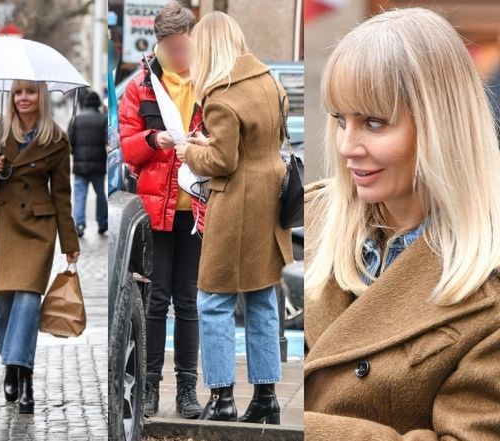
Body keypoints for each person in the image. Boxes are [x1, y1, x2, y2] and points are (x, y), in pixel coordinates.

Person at [304, 8, 500, 439]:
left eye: (374, 123)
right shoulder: (309, 217)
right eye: (340, 119)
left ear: (440, 126)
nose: (347, 145)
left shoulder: (489, 286)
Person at [175, 11, 293, 423]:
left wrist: (190, 150)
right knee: (261, 299)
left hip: (237, 203)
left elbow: (222, 161)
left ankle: (222, 398)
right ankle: (266, 399)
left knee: (213, 300)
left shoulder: (221, 96)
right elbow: (264, 141)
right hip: (270, 200)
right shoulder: (268, 81)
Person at [0, 80, 80, 415]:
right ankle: (12, 364)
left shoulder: (57, 139)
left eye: (30, 92)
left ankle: (23, 372)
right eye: (18, 92)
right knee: (3, 301)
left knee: (29, 300)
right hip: (0, 224)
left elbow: (62, 194)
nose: (23, 98)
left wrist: (69, 241)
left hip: (37, 226)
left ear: (41, 96)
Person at [118, 1, 204, 419]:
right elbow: (127, 147)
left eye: (183, 47)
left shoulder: (209, 83)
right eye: (170, 48)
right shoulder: (141, 87)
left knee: (188, 301)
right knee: (156, 301)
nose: (178, 56)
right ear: (159, 44)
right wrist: (155, 140)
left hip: (197, 209)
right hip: (157, 209)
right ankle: (150, 387)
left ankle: (187, 389)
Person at [69, 90, 108, 237]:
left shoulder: (76, 119)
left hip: (80, 166)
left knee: (80, 195)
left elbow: (69, 141)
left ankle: (79, 224)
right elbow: (107, 141)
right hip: (98, 166)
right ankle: (103, 223)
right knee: (100, 195)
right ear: (98, 104)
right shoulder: (103, 119)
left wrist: (76, 154)